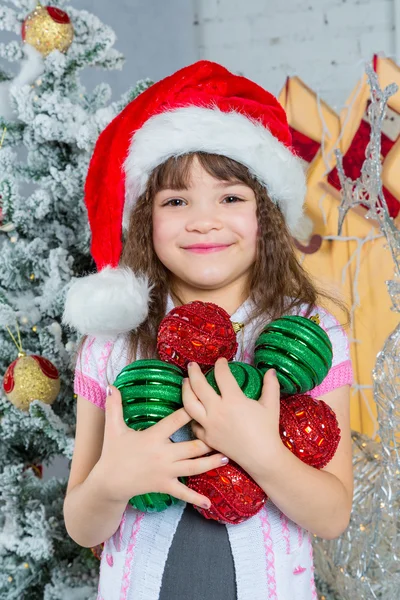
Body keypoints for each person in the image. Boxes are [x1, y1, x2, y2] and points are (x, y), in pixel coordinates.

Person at [62, 60, 354, 600]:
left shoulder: (309, 332)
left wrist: (262, 453)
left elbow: (332, 514)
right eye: (176, 201)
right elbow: (82, 525)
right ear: (144, 219)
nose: (204, 220)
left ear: (265, 214)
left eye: (230, 197)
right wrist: (113, 481)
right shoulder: (113, 343)